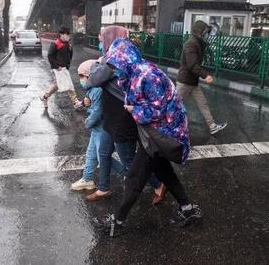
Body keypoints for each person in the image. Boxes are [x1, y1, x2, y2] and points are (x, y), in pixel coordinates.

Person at [92, 38, 202, 236]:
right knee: (163, 171)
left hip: (163, 132)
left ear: (125, 60)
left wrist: (134, 109)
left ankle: (117, 222)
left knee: (135, 177)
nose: (113, 69)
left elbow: (159, 110)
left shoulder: (147, 75)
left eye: (114, 65)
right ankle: (189, 209)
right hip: (154, 132)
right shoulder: (132, 73)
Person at [86, 26, 166, 205]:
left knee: (129, 161)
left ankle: (158, 184)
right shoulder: (112, 58)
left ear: (111, 39)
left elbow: (94, 79)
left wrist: (98, 63)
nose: (100, 43)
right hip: (111, 116)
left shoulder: (116, 59)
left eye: (101, 40)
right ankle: (103, 187)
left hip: (122, 118)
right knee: (104, 152)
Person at [70, 59, 126, 190]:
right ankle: (87, 178)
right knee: (91, 155)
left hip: (102, 129)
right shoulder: (92, 88)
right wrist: (85, 103)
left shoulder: (97, 89)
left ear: (91, 75)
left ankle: (129, 174)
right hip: (98, 129)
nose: (81, 79)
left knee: (103, 158)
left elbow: (97, 111)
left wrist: (88, 122)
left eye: (82, 76)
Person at [177, 20, 227, 135]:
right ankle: (164, 126)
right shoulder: (191, 44)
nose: (207, 35)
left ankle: (212, 126)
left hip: (192, 81)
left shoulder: (197, 43)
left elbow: (195, 65)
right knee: (175, 105)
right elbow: (192, 65)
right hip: (185, 82)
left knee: (203, 103)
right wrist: (205, 75)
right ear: (199, 33)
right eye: (205, 32)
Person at [40, 26, 82, 108]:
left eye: (68, 34)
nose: (68, 36)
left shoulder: (68, 44)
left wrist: (67, 65)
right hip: (59, 68)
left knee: (56, 85)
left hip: (64, 68)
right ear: (61, 34)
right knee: (69, 84)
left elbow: (69, 55)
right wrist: (56, 66)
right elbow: (50, 56)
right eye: (66, 34)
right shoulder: (56, 44)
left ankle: (44, 97)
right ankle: (75, 102)